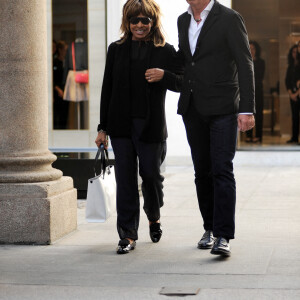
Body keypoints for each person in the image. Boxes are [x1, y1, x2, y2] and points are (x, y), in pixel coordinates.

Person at [95, 0, 182, 254]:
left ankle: (154, 216)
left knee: (151, 177)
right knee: (125, 181)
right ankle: (128, 235)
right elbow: (107, 89)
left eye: (145, 20)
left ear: (153, 22)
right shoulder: (116, 49)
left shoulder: (165, 50)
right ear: (127, 22)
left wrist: (164, 76)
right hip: (121, 126)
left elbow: (184, 81)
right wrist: (102, 128)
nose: (140, 25)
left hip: (150, 126)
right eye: (135, 20)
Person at [177, 0, 255, 257]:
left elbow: (245, 64)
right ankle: (209, 228)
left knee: (222, 169)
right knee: (202, 172)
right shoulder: (183, 20)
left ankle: (223, 235)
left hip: (223, 108)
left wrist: (246, 109)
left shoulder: (230, 18)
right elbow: (185, 62)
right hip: (193, 108)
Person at [246, 41, 265, 143]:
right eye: (249, 48)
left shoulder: (261, 62)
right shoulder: (245, 61)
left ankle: (258, 136)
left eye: (253, 48)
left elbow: (260, 77)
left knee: (259, 114)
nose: (251, 50)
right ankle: (248, 135)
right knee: (248, 112)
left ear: (256, 50)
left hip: (258, 91)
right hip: (247, 91)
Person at [285, 44, 300, 144]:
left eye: (296, 51)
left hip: (298, 94)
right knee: (294, 117)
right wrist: (291, 93)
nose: (294, 53)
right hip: (292, 95)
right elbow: (287, 81)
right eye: (293, 52)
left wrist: (297, 93)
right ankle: (294, 137)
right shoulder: (290, 66)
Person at [53, 40, 69, 129]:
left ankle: (64, 129)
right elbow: (52, 78)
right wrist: (57, 89)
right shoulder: (55, 62)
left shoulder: (68, 63)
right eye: (64, 50)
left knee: (65, 114)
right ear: (60, 50)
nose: (65, 52)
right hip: (57, 90)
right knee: (56, 113)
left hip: (66, 90)